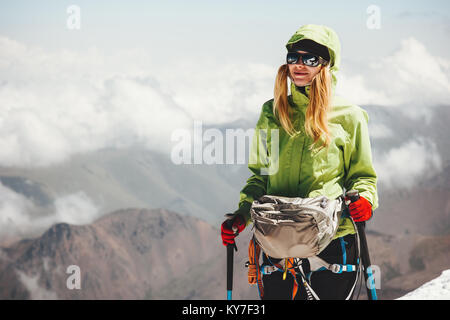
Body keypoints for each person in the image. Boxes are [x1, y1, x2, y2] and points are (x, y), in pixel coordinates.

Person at [221, 24, 378, 300]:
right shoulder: (272, 112)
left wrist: (365, 199)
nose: (299, 65)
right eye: (294, 57)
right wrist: (241, 216)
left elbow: (362, 176)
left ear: (326, 65)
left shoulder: (349, 117)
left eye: (310, 59)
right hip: (277, 242)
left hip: (332, 241)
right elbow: (260, 177)